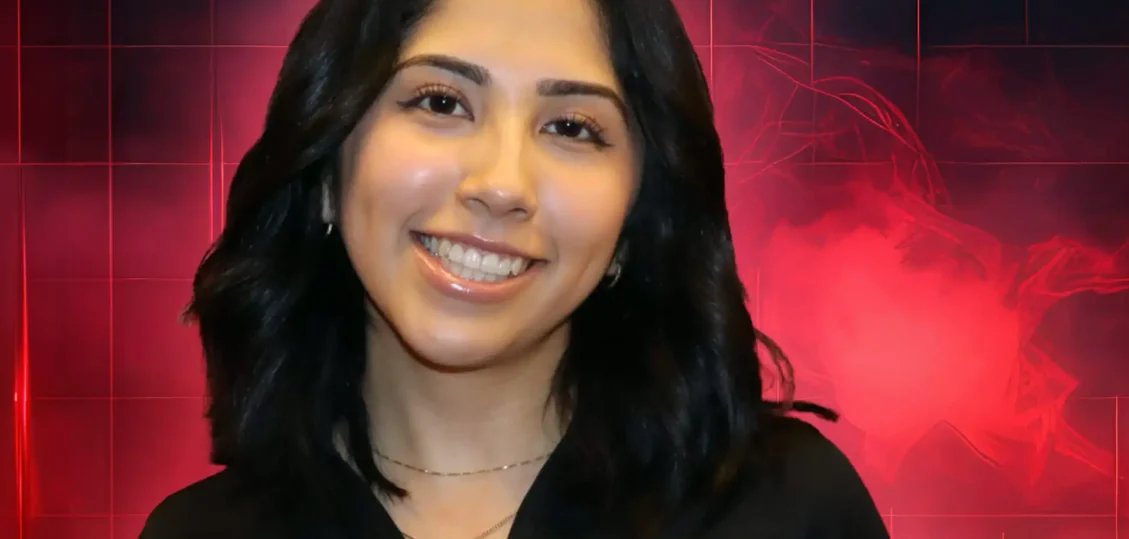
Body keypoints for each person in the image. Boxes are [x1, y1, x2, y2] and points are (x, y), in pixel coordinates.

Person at [137, 0, 889, 537]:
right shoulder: (197, 530)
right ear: (329, 170)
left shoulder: (790, 508)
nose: (500, 184)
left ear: (633, 222)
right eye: (440, 101)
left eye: (571, 127)